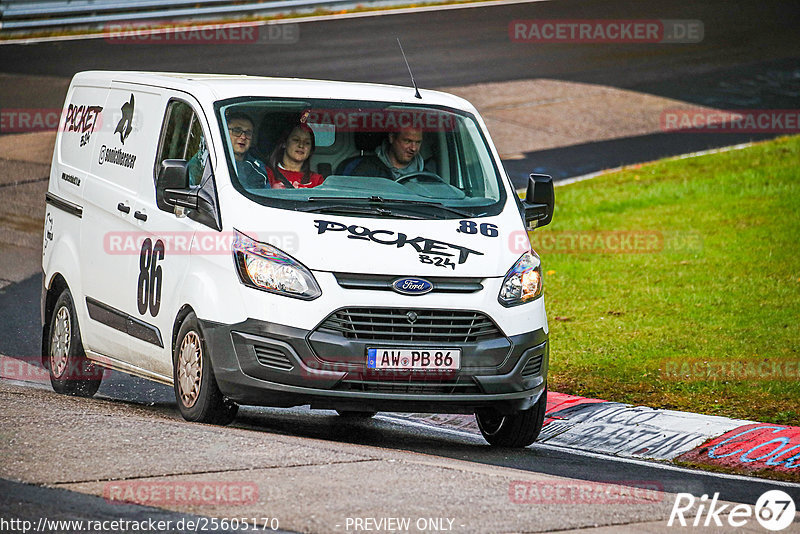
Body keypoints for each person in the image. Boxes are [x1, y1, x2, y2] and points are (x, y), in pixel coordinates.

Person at [350, 128, 432, 180]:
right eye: (408, 141)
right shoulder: (367, 170)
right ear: (392, 138)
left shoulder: (426, 177)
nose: (413, 148)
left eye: (418, 142)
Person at [267, 123, 324, 189]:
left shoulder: (317, 180)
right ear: (284, 143)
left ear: (311, 150)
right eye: (296, 140)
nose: (301, 145)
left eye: (307, 143)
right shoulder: (267, 173)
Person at [225, 111, 270, 189]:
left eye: (248, 133)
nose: (243, 137)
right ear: (224, 132)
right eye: (237, 131)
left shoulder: (259, 167)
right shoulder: (209, 162)